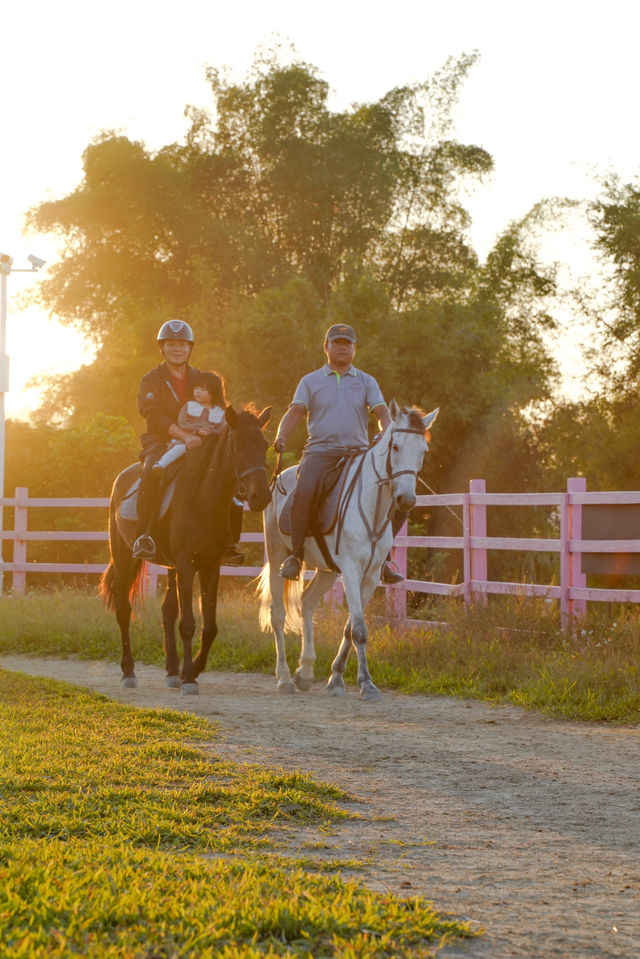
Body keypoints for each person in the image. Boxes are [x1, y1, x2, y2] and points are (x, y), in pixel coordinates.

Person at [273, 323, 404, 584]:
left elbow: (382, 414)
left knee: (397, 496)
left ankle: (383, 558)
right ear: (326, 347)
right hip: (319, 452)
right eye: (337, 342)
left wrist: (387, 433)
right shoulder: (310, 381)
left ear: (354, 349)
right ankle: (296, 556)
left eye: (347, 343)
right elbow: (295, 412)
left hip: (357, 453)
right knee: (305, 491)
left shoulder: (366, 381)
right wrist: (281, 435)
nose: (342, 347)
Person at [132, 321, 243, 564]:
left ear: (189, 348)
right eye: (171, 344)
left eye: (182, 344)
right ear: (162, 348)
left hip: (201, 440)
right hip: (161, 440)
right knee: (152, 472)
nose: (177, 349)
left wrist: (216, 431)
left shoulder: (200, 378)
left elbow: (218, 403)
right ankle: (145, 535)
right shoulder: (151, 379)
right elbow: (154, 416)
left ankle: (228, 541)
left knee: (228, 473)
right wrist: (185, 436)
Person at [152, 371, 226, 475]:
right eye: (196, 388)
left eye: (203, 390)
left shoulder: (219, 412)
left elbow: (222, 427)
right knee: (180, 448)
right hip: (190, 437)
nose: (198, 392)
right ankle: (161, 464)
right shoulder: (190, 406)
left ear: (213, 393)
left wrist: (211, 432)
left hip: (210, 442)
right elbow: (182, 422)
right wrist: (197, 430)